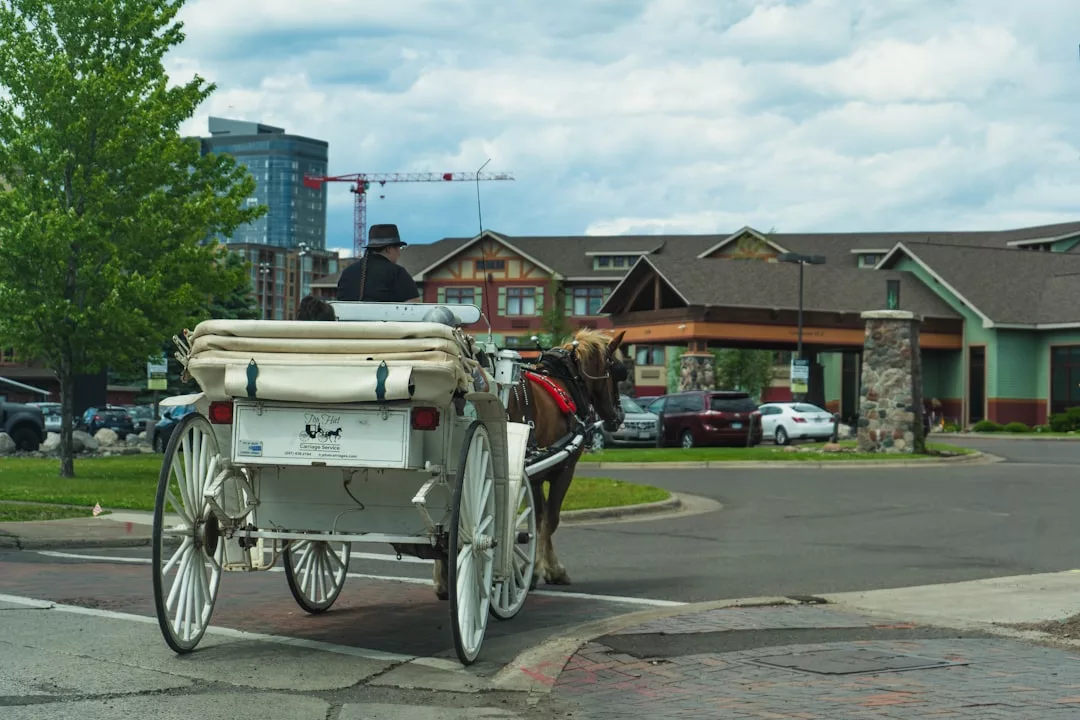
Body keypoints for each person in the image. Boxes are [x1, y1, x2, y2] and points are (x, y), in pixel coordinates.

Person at [336, 223, 421, 303]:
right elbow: (414, 305)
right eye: (399, 248)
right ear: (389, 249)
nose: (399, 253)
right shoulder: (397, 273)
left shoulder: (347, 273)